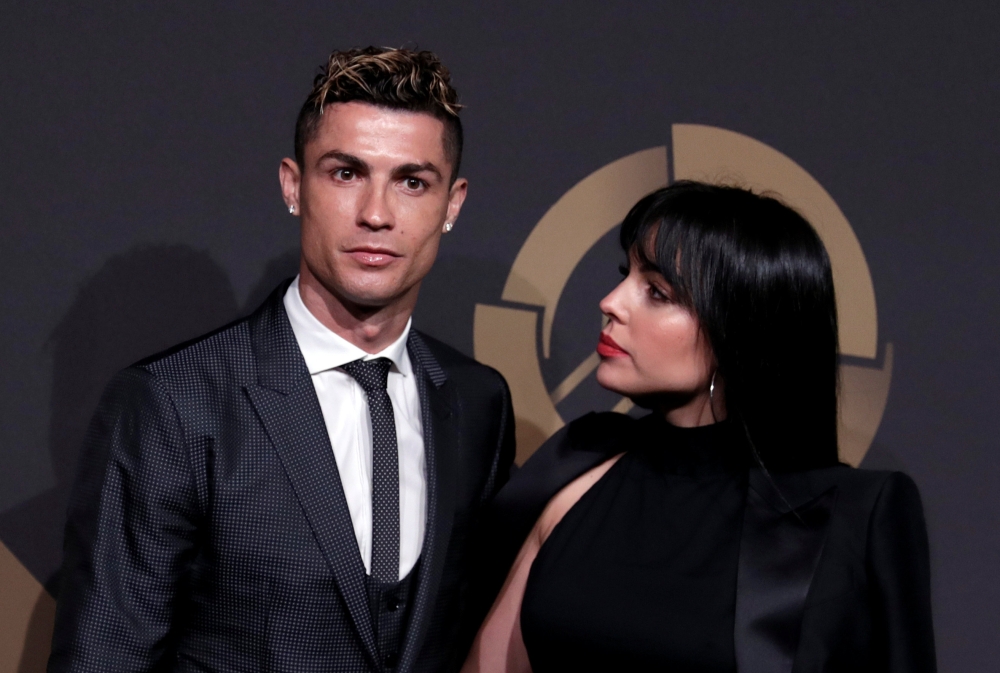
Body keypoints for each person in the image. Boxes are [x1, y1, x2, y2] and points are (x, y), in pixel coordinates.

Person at [48, 47, 515, 673]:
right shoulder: (173, 401)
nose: (376, 213)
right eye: (346, 173)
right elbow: (105, 658)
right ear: (294, 186)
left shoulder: (477, 401)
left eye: (411, 181)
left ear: (451, 205)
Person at [462, 181, 935, 672]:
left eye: (658, 291)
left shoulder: (856, 515)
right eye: (626, 274)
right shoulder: (577, 463)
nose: (611, 302)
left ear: (742, 328)